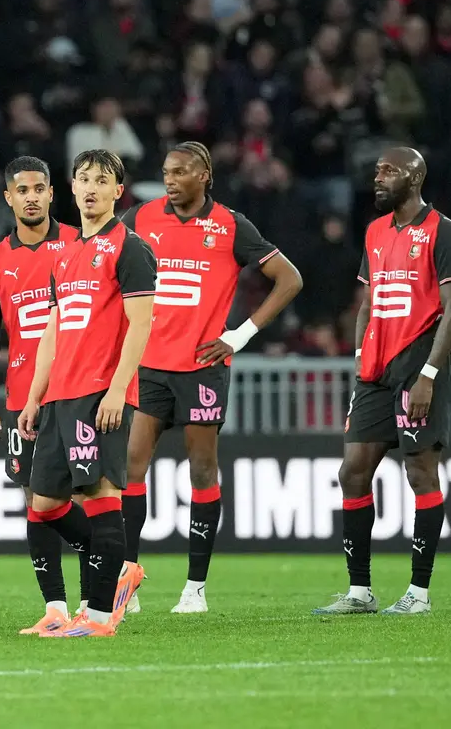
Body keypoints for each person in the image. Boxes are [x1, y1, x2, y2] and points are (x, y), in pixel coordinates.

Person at [120, 142, 303, 614]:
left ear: (204, 175)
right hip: (150, 366)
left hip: (202, 367)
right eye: (165, 172)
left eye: (180, 172)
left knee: (201, 471)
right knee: (132, 467)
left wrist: (240, 336)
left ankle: (194, 588)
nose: (170, 179)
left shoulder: (230, 226)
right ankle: (127, 582)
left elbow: (289, 279)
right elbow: (104, 268)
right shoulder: (139, 219)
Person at [314, 147, 451, 616]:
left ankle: (418, 593)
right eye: (376, 170)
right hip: (376, 369)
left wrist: (428, 375)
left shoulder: (444, 231)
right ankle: (360, 592)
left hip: (419, 361)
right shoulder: (376, 231)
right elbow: (368, 301)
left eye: (388, 171)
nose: (377, 178)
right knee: (353, 471)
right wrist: (362, 356)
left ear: (415, 178)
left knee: (420, 471)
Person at [17, 149, 155, 638]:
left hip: (100, 392)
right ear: (71, 189)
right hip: (60, 396)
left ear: (119, 191)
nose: (91, 187)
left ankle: (98, 617)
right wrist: (35, 396)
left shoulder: (130, 247)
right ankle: (118, 571)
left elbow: (142, 324)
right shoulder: (68, 253)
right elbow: (53, 332)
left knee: (101, 495)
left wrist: (119, 390)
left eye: (102, 180)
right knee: (45, 506)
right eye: (83, 179)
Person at [0, 156, 92, 634]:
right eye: (21, 189)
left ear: (50, 194)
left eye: (38, 188)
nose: (30, 196)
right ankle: (56, 608)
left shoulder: (80, 245)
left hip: (77, 389)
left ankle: (96, 598)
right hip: (23, 397)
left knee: (83, 495)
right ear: (8, 197)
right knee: (36, 501)